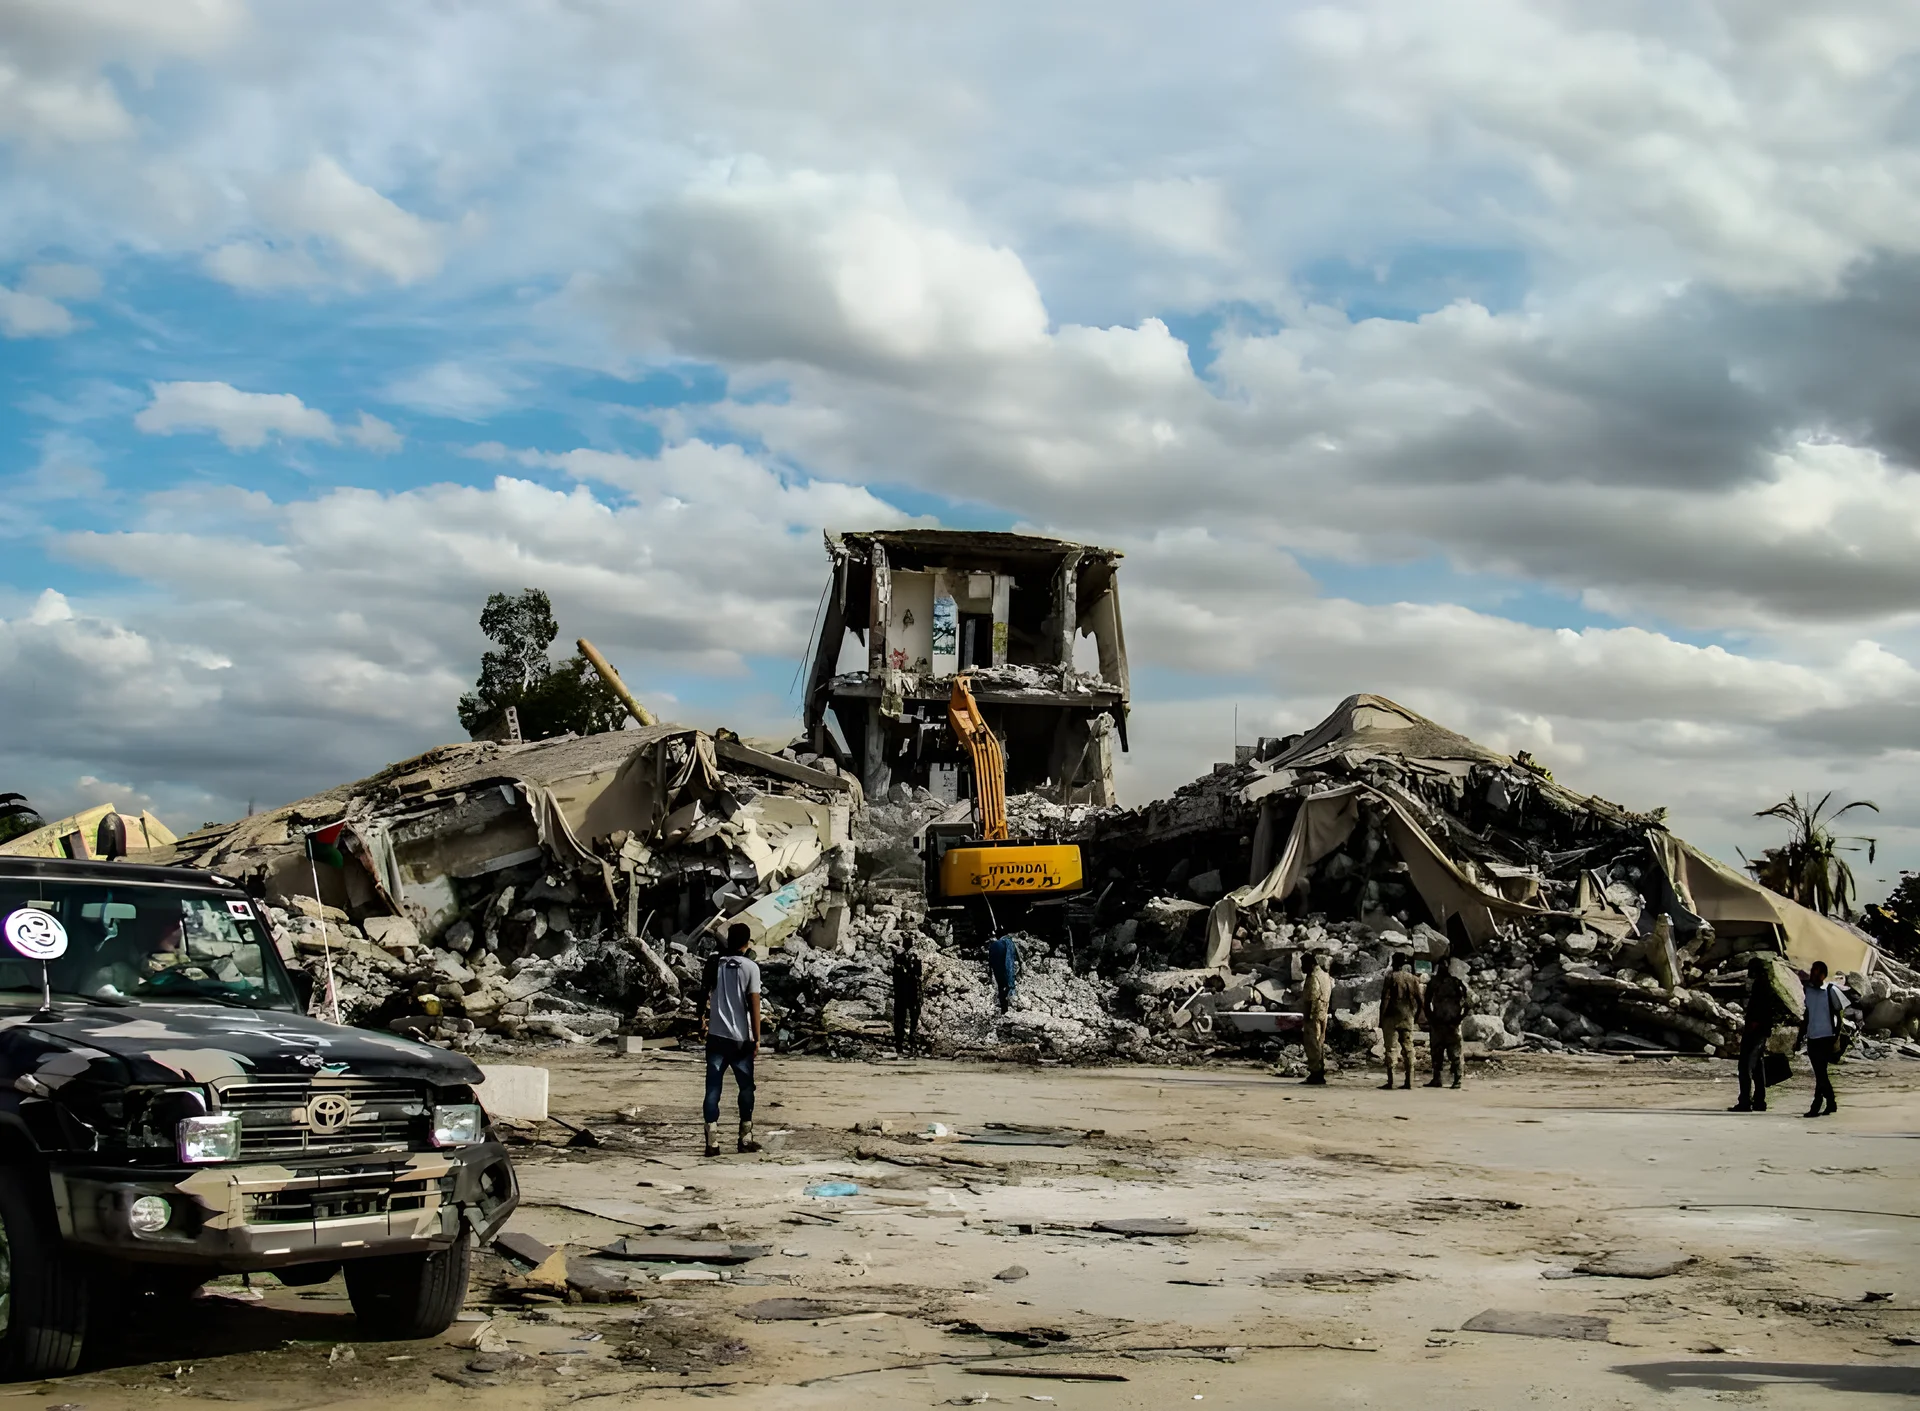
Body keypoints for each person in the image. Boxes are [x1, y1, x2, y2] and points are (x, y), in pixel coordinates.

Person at [700, 923, 762, 1157]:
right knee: (746, 1087)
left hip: (716, 1038)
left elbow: (703, 993)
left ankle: (712, 1141)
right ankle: (745, 1138)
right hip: (740, 1041)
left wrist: (701, 1020)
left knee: (713, 1088)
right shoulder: (750, 967)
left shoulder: (716, 963)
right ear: (747, 942)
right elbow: (754, 1005)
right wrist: (757, 1038)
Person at [1732, 954, 1790, 1113]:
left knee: (1745, 1066)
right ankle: (1759, 1101)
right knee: (1757, 1067)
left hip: (1756, 1031)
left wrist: (1752, 1026)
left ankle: (1745, 1101)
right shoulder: (1765, 984)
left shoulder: (1761, 985)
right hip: (1760, 1031)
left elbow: (1761, 1010)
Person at [1798, 960, 1847, 1118]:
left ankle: (1817, 1104)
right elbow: (1807, 1015)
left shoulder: (1830, 990)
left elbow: (1839, 1016)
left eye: (1818, 972)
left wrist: (1836, 1037)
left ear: (1824, 975)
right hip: (1812, 1037)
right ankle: (1831, 1102)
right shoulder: (1808, 991)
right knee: (1820, 1073)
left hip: (1826, 1037)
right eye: (1813, 971)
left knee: (1821, 1073)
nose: (1814, 974)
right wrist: (1800, 1037)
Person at [1377, 952, 1425, 1090]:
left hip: (1392, 1017)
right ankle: (1409, 1081)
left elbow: (1385, 998)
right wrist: (1416, 1016)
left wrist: (1382, 1017)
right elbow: (1420, 1000)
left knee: (1391, 1049)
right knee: (1409, 1048)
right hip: (1408, 1016)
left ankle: (1391, 1081)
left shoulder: (1390, 977)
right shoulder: (1412, 978)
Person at [1425, 958, 1471, 1089]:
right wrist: (1431, 1018)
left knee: (1453, 1053)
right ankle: (1439, 1078)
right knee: (1437, 1052)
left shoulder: (1456, 984)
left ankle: (1456, 1079)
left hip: (1449, 1023)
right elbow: (1426, 1002)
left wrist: (1459, 1018)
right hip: (1441, 1023)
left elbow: (1468, 1002)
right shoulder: (1436, 983)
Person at [1300, 951, 1334, 1085]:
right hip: (1323, 1013)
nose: (1302, 968)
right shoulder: (1325, 976)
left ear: (1311, 964)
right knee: (1320, 1043)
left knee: (1312, 1043)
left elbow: (1312, 998)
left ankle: (1316, 1072)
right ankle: (1319, 1070)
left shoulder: (1313, 977)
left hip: (1314, 1015)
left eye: (1304, 965)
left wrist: (1307, 1018)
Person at [891, 936, 926, 1055]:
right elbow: (918, 975)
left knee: (903, 1020)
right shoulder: (908, 960)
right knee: (908, 1020)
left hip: (903, 994)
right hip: (908, 994)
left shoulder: (901, 960)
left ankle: (903, 1046)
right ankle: (906, 1045)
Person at [987, 932, 1018, 1013]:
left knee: (1000, 980)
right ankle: (1007, 1006)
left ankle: (1003, 1006)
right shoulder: (1010, 942)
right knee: (1005, 980)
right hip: (1002, 947)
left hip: (995, 949)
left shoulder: (994, 944)